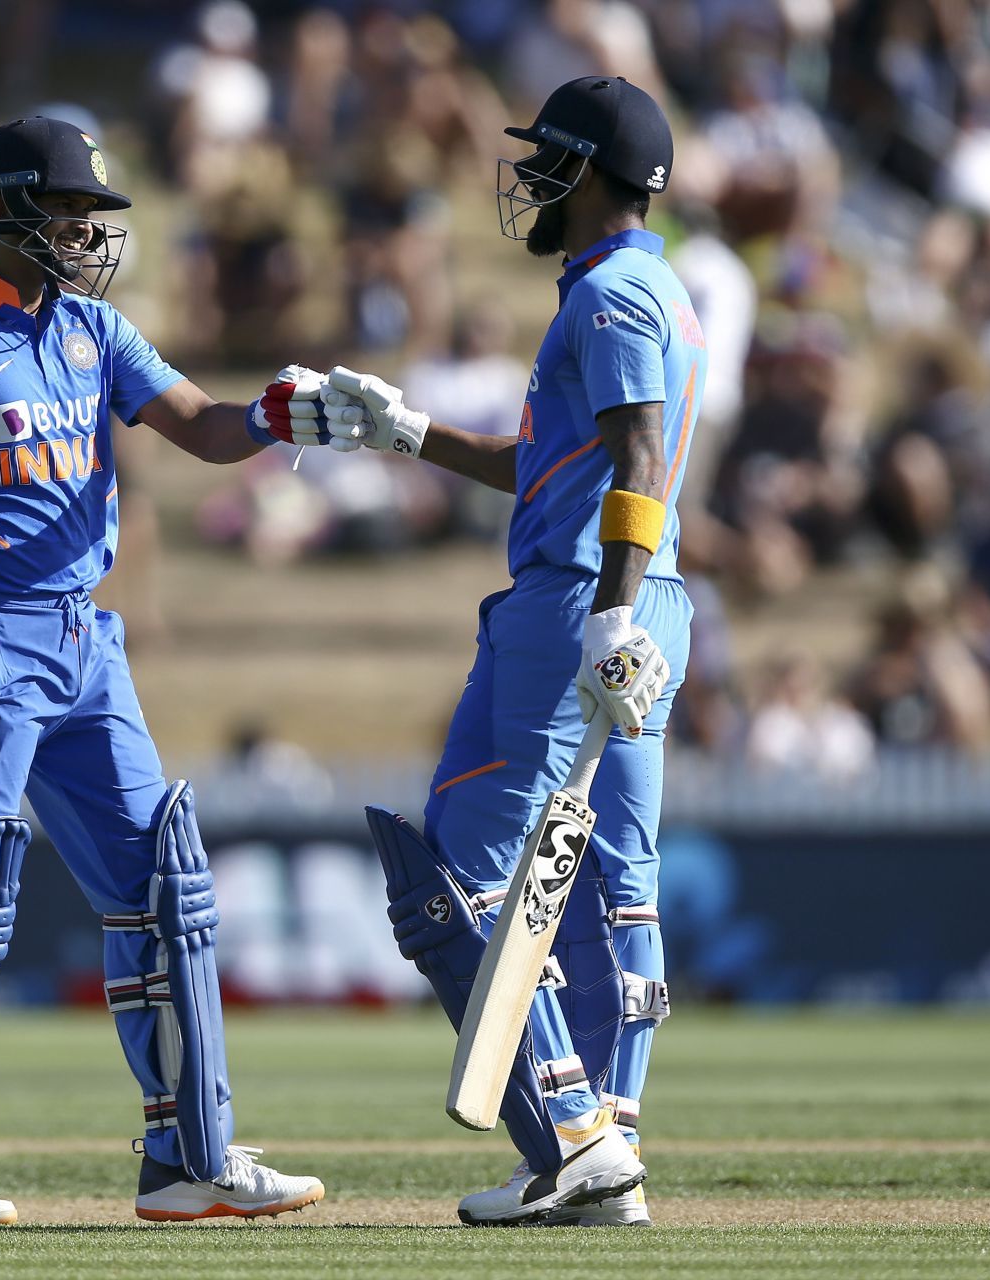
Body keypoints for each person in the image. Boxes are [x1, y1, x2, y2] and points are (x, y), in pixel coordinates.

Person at [0, 116, 331, 1228]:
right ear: (1, 211)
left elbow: (202, 425)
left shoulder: (90, 328)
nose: (89, 229)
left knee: (164, 884)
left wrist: (286, 414)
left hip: (87, 638)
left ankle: (190, 1156)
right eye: (69, 209)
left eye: (95, 212)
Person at [323, 76, 703, 1226]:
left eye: (548, 161)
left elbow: (639, 455)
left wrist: (607, 614)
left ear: (590, 172)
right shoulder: (649, 288)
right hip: (631, 593)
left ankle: (573, 1129)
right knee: (612, 874)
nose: (532, 180)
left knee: (461, 861)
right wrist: (407, 431)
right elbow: (555, 460)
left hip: (584, 602)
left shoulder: (611, 296)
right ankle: (606, 1150)